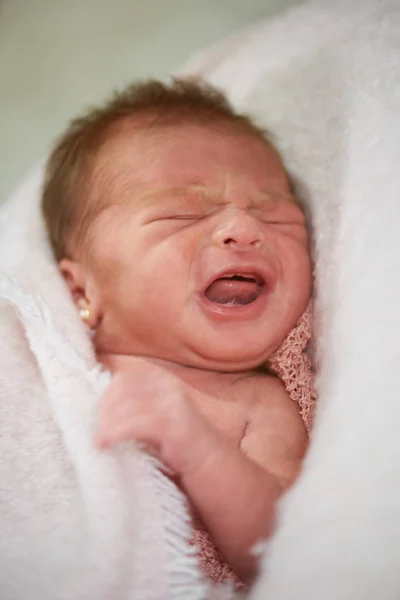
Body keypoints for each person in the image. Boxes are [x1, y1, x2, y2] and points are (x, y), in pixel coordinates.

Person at [41, 78, 313, 586]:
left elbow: (288, 549)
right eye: (182, 213)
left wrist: (200, 447)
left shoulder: (257, 405)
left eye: (276, 215)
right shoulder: (47, 364)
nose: (243, 227)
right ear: (81, 291)